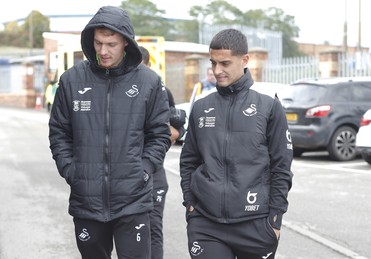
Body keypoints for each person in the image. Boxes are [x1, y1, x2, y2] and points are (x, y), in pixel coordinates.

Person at [48, 6, 171, 259]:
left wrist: (144, 169)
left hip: (133, 201)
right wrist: (72, 171)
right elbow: (59, 132)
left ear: (125, 42)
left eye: (111, 44)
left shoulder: (149, 82)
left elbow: (160, 134)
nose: (103, 51)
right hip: (87, 201)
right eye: (98, 43)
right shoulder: (71, 80)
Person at [180, 28, 293, 259]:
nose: (216, 71)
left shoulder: (269, 107)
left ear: (245, 60)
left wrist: (275, 218)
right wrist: (190, 204)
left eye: (225, 63)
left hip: (255, 224)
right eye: (213, 63)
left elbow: (281, 167)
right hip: (206, 223)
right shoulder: (201, 107)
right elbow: (188, 160)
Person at [139, 45, 185, 259]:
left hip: (155, 174)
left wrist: (164, 132)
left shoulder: (160, 90)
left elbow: (176, 130)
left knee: (153, 229)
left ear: (148, 65)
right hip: (126, 175)